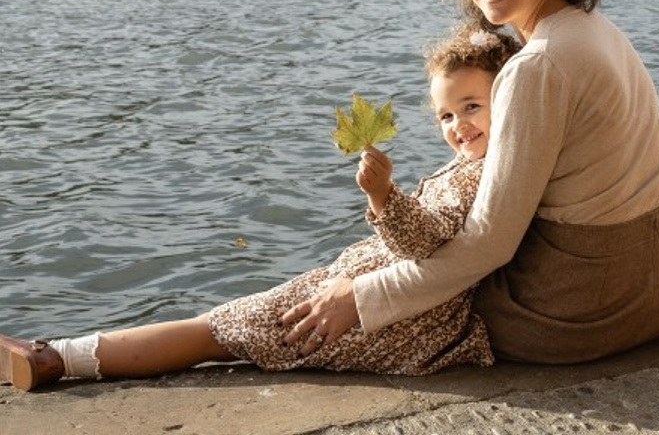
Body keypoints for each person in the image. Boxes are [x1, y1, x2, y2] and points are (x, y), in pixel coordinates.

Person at [280, 0, 659, 365]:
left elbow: (490, 244)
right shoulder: (596, 28)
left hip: (579, 312)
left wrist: (362, 299)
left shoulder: (538, 65)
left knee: (336, 299)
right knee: (388, 259)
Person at [0, 25, 521, 391]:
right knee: (225, 326)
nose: (457, 125)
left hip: (389, 320)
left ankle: (56, 359)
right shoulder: (482, 165)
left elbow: (428, 244)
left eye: (472, 107)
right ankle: (58, 353)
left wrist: (382, 195)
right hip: (377, 302)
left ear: (508, 100)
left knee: (217, 330)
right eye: (446, 115)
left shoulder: (477, 175)